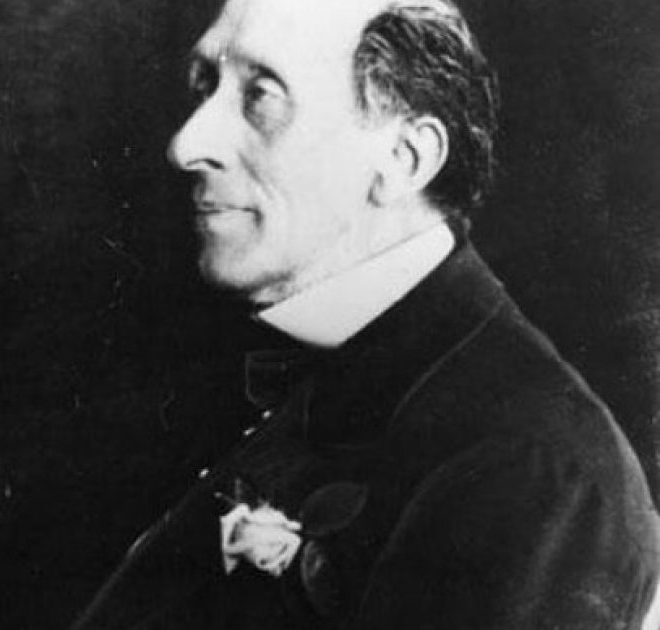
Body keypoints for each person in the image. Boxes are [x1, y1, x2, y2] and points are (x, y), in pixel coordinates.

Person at [70, 0, 660, 628]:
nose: (186, 144)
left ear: (405, 158)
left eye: (260, 95)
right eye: (205, 85)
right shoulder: (324, 370)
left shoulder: (529, 469)